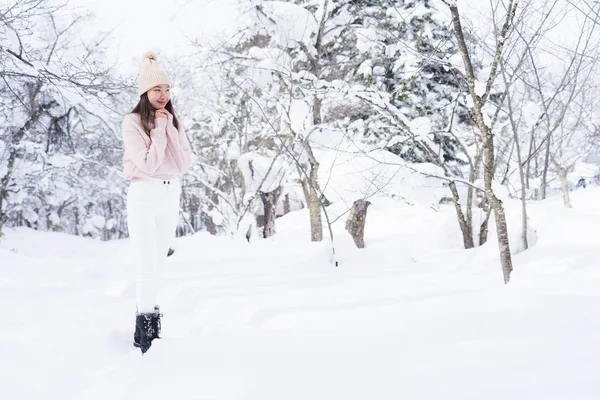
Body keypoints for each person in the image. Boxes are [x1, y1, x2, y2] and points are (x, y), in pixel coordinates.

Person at [122, 51, 192, 354]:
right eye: (156, 90)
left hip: (170, 193)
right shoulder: (133, 122)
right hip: (144, 194)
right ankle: (145, 331)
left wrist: (169, 128)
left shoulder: (174, 120)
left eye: (166, 89)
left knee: (158, 263)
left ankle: (148, 323)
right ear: (144, 93)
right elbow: (149, 163)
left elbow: (182, 163)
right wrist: (160, 129)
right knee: (147, 264)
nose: (163, 95)